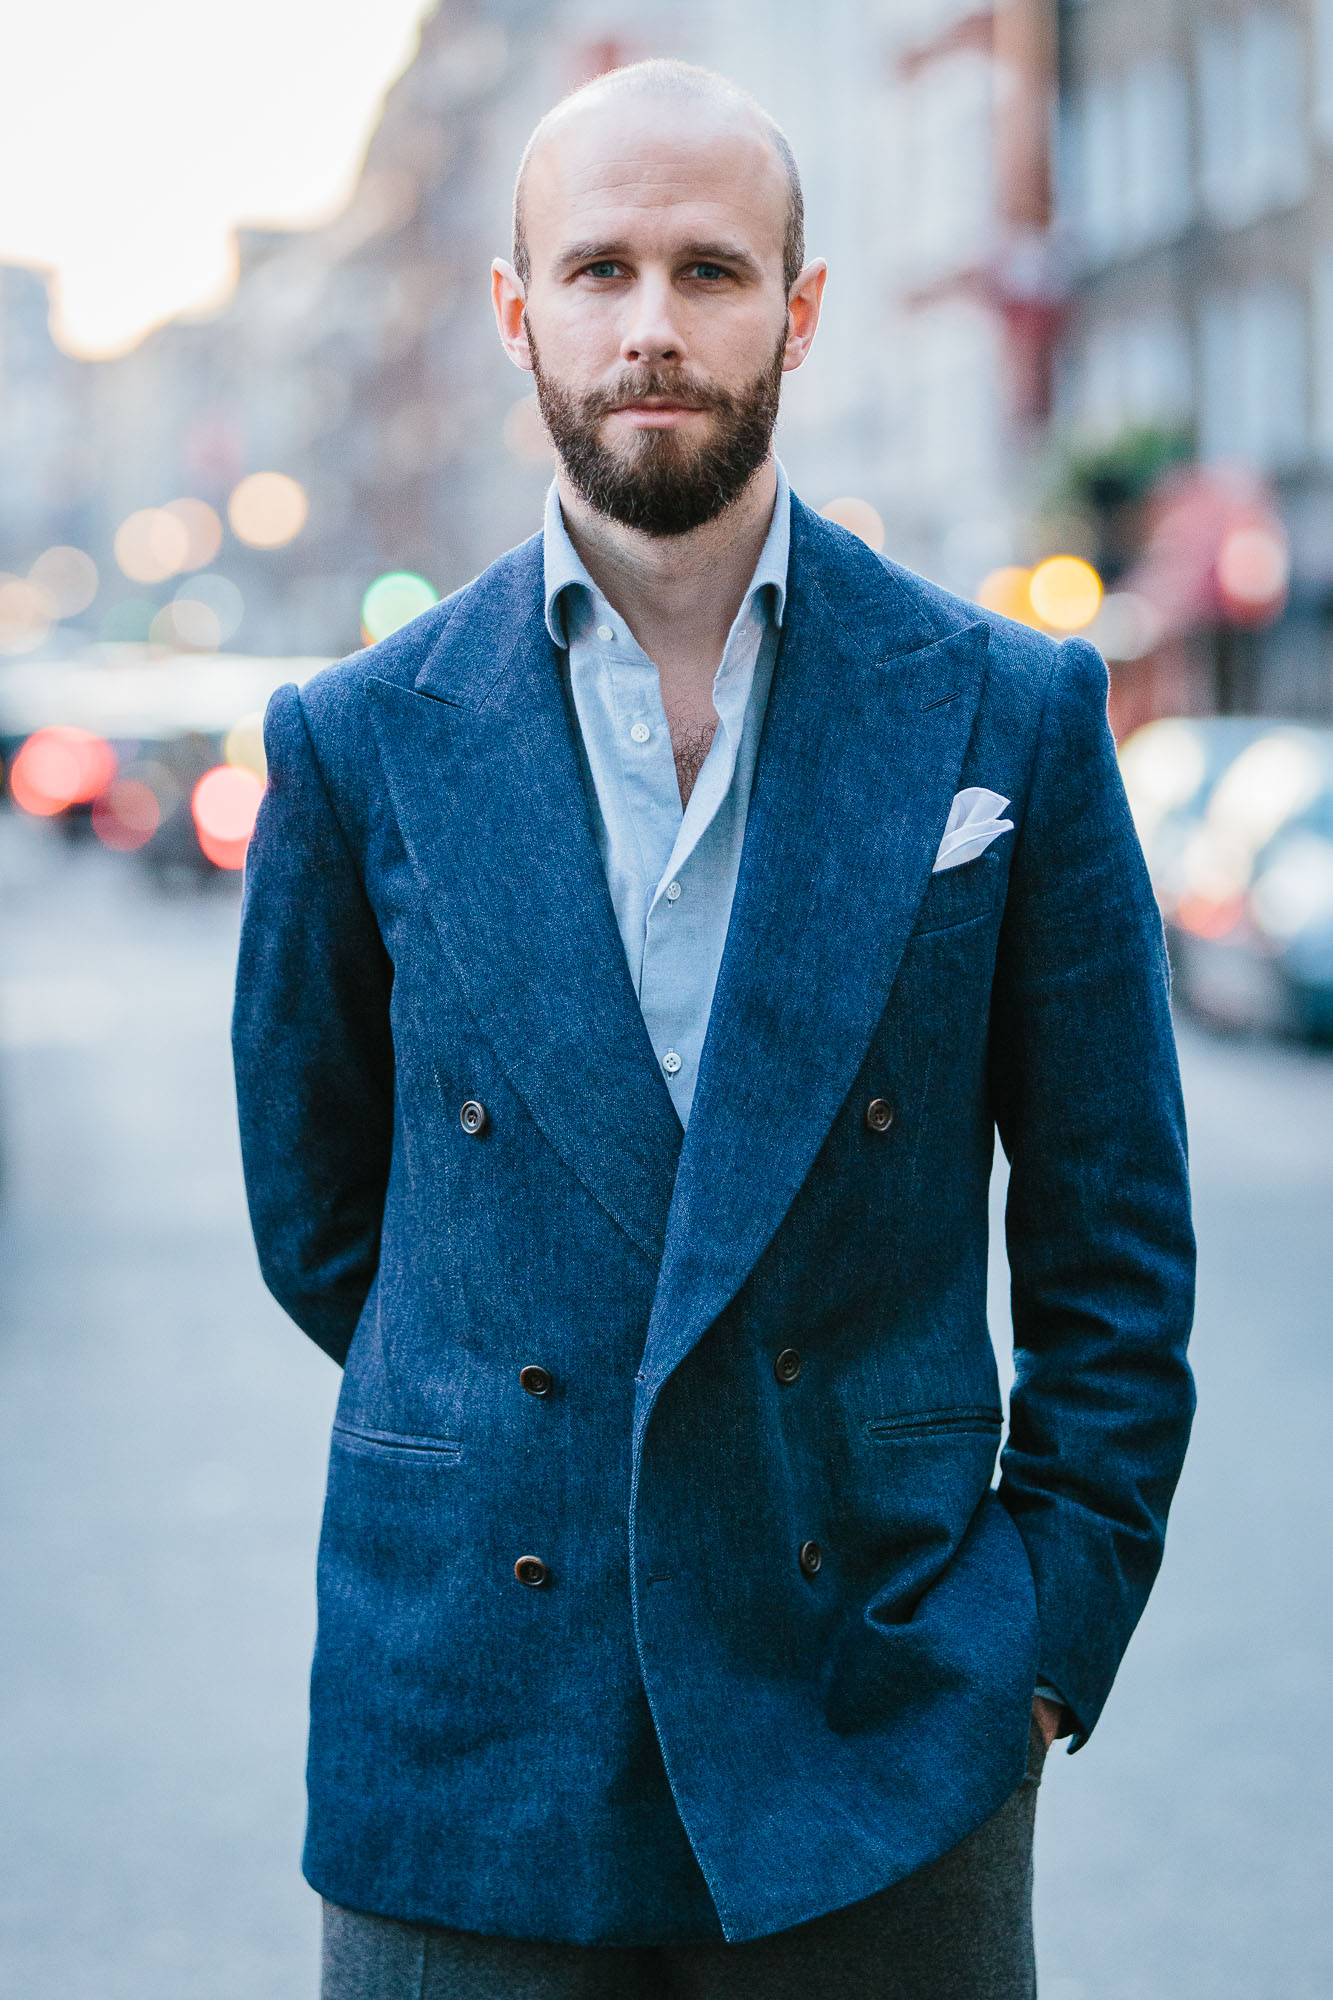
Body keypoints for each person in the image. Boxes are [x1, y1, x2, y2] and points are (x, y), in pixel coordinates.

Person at [232, 59, 1195, 2000]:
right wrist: (566, 1394)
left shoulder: (1009, 711)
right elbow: (324, 1211)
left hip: (886, 1720)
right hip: (473, 1734)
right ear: (516, 313)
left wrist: (1030, 1651)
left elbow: (1114, 1252)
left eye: (708, 268)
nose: (650, 325)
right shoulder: (355, 744)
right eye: (596, 270)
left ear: (800, 308)